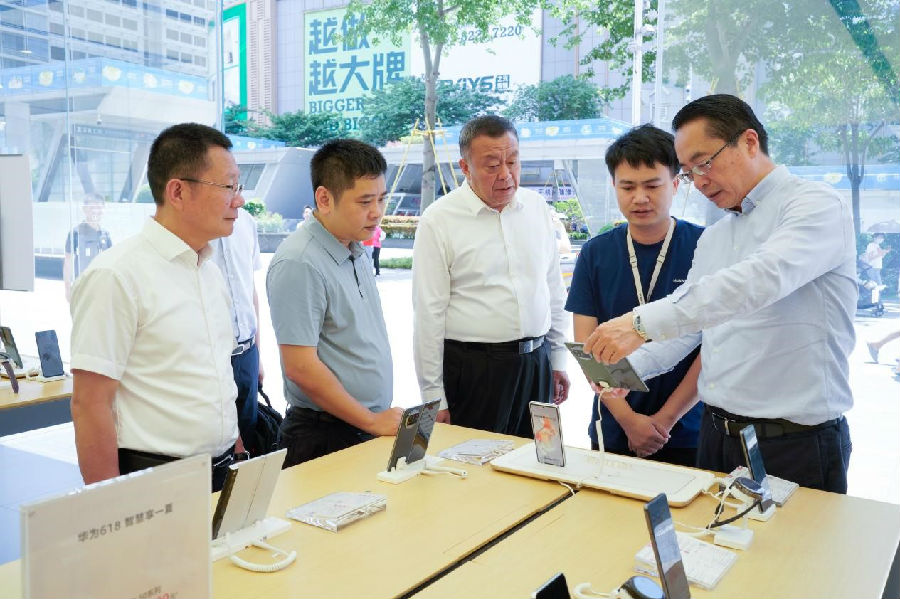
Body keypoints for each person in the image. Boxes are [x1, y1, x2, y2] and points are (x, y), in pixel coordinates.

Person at [583, 94, 856, 493]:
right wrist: (628, 370)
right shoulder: (717, 235)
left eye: (704, 163)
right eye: (689, 172)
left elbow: (758, 281)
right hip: (717, 435)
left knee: (794, 537)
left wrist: (638, 324)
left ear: (749, 142)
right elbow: (691, 328)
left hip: (793, 440)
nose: (699, 181)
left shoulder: (814, 206)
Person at [70, 123, 244, 491]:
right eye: (229, 187)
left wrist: (237, 450)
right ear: (178, 191)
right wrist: (109, 506)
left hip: (223, 466)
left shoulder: (209, 271)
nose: (239, 200)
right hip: (155, 477)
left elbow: (216, 376)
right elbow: (90, 403)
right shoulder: (116, 275)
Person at [412, 115, 570, 437]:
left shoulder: (536, 208)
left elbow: (553, 288)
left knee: (537, 458)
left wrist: (558, 359)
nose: (506, 175)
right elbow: (429, 314)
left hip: (537, 364)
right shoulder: (439, 220)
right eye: (492, 165)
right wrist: (433, 395)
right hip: (475, 371)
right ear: (465, 167)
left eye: (512, 161)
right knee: (474, 461)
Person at [566, 124, 704, 466]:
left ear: (675, 184)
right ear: (614, 185)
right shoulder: (595, 253)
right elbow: (586, 348)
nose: (640, 197)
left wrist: (666, 420)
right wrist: (628, 421)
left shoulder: (704, 245)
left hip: (688, 426)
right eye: (627, 186)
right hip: (613, 424)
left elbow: (713, 345)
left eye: (652, 186)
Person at [267, 139, 402, 468]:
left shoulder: (355, 247)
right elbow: (301, 367)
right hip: (324, 434)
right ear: (324, 199)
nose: (377, 212)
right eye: (365, 201)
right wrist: (371, 421)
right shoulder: (300, 261)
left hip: (361, 426)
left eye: (382, 199)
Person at [212, 207, 264, 456]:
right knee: (221, 449)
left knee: (248, 441)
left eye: (239, 188)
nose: (238, 196)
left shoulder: (246, 222)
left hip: (248, 353)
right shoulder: (196, 228)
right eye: (229, 188)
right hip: (214, 356)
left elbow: (250, 289)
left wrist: (258, 355)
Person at [64, 193, 112, 301]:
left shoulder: (105, 234)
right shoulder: (75, 233)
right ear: (84, 210)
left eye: (99, 207)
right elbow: (68, 261)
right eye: (92, 208)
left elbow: (110, 262)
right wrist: (67, 288)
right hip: (82, 288)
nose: (96, 211)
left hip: (102, 287)